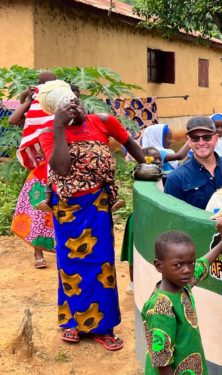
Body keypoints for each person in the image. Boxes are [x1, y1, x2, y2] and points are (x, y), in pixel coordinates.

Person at [39, 88, 147, 350]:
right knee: (70, 265)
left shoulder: (102, 121)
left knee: (101, 264)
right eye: (65, 104)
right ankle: (72, 322)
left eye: (75, 100)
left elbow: (129, 143)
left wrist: (148, 166)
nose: (73, 106)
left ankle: (102, 327)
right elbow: (62, 168)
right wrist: (59, 127)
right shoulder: (49, 132)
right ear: (55, 109)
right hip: (66, 210)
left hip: (97, 204)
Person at [142, 221, 222, 375]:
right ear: (159, 266)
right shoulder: (160, 308)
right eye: (178, 265)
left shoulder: (183, 284)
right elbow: (162, 362)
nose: (187, 270)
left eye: (190, 263)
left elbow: (203, 264)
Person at [8, 71, 57, 268]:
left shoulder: (58, 108)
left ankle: (60, 249)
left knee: (59, 211)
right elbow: (14, 119)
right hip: (39, 171)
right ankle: (38, 253)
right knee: (37, 211)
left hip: (59, 168)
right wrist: (29, 98)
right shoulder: (35, 113)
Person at [164, 117, 222, 209]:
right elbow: (172, 217)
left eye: (207, 137)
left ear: (216, 139)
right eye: (195, 138)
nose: (201, 143)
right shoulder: (175, 179)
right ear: (189, 141)